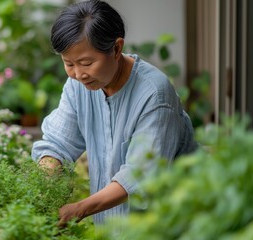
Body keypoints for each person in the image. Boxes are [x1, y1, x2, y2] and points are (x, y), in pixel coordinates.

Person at [31, 0, 198, 226]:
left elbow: (140, 176)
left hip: (166, 226)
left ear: (117, 48)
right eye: (68, 63)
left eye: (86, 62)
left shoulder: (154, 94)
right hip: (110, 227)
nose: (79, 74)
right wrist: (47, 178)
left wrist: (79, 208)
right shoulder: (78, 86)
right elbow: (58, 143)